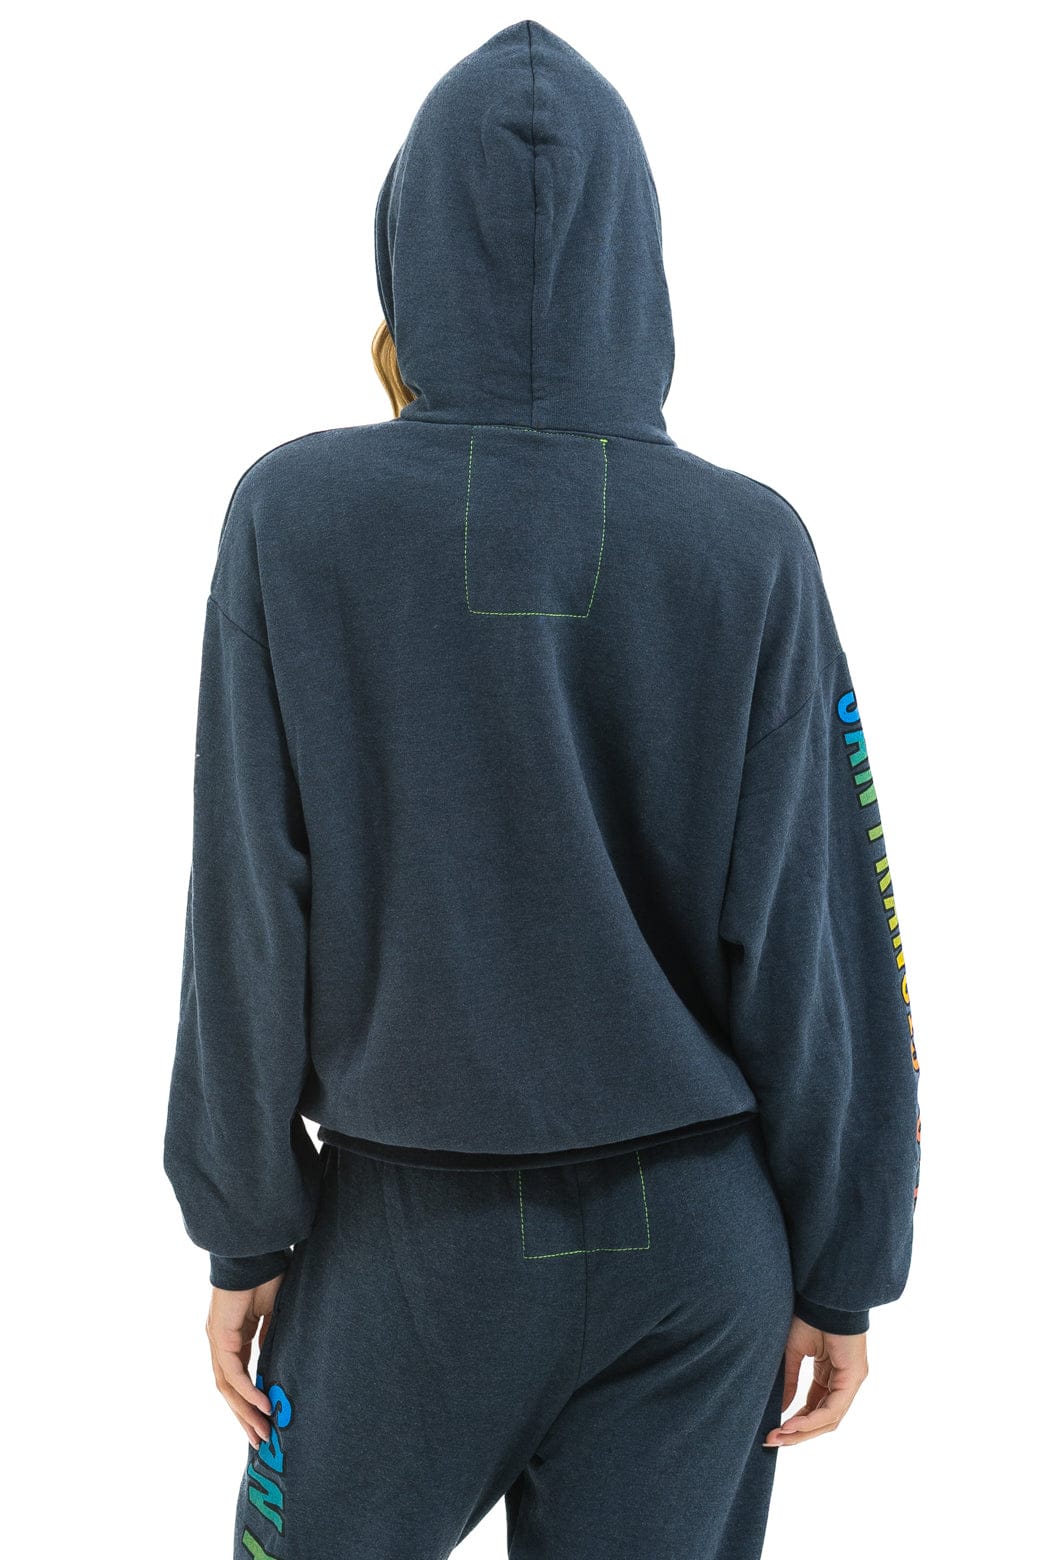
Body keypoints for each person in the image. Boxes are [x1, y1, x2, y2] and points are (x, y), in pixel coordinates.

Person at [163, 18, 922, 1560]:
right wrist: (846, 1264)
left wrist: (244, 1222)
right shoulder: (748, 547)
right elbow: (820, 944)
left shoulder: (294, 519)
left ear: (407, 245)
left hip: (407, 1250)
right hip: (695, 1253)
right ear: (641, 258)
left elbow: (249, 910)